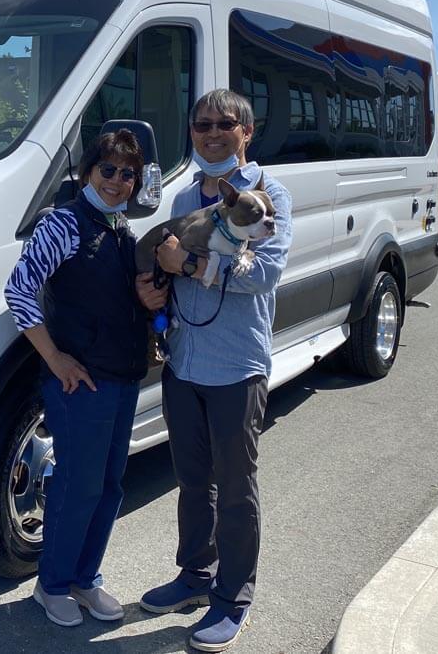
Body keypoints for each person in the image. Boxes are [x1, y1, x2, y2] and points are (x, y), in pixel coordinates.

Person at [136, 89, 293, 652]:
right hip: (185, 361)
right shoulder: (185, 193)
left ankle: (233, 597)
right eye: (202, 125)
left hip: (236, 366)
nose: (212, 133)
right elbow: (167, 261)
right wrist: (154, 281)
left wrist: (192, 263)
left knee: (235, 487)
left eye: (225, 124)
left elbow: (263, 275)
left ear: (246, 132)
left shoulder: (270, 194)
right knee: (191, 481)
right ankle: (195, 576)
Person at [3, 129, 157, 628]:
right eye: (108, 170)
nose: (117, 181)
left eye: (127, 173)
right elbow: (20, 291)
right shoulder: (64, 224)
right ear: (89, 171)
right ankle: (51, 586)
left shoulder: (121, 228)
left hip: (122, 376)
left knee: (110, 485)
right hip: (80, 383)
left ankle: (85, 579)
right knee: (77, 485)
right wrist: (56, 359)